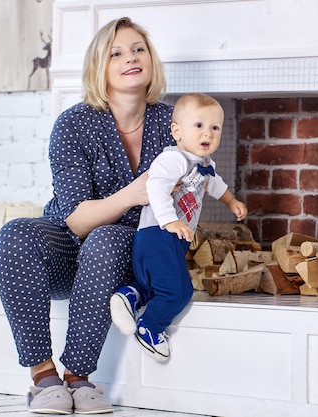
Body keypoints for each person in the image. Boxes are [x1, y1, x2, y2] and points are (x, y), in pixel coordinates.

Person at [0, 17, 175, 415]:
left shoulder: (170, 122)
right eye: (117, 52)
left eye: (138, 49)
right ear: (100, 66)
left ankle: (78, 375)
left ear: (151, 60)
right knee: (14, 235)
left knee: (108, 238)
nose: (131, 58)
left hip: (130, 252)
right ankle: (43, 378)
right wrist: (133, 192)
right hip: (67, 248)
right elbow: (75, 220)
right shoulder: (74, 124)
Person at [109, 93, 248, 362]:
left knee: (158, 283)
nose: (207, 133)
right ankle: (150, 327)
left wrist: (231, 202)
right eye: (198, 126)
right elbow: (155, 186)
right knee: (179, 291)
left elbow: (214, 185)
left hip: (169, 237)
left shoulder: (204, 165)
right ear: (177, 131)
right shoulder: (174, 159)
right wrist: (169, 220)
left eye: (215, 128)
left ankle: (129, 296)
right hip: (158, 233)